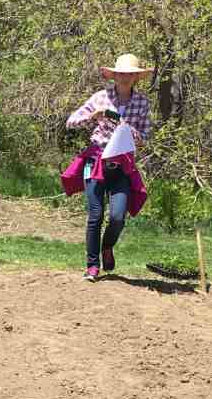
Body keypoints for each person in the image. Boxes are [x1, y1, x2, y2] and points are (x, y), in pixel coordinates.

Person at [62, 54, 151, 281]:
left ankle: (107, 246)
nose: (125, 78)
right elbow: (71, 121)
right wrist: (93, 115)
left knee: (118, 216)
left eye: (130, 75)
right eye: (121, 74)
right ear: (114, 75)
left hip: (122, 165)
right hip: (96, 161)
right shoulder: (101, 97)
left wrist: (127, 128)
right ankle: (92, 266)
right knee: (95, 214)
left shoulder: (142, 103)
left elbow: (144, 137)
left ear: (135, 78)